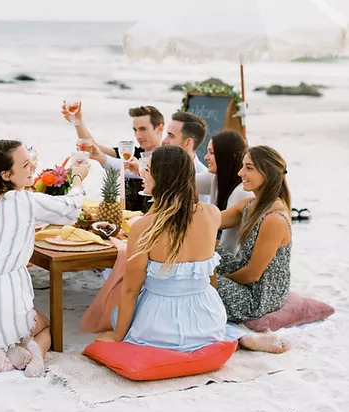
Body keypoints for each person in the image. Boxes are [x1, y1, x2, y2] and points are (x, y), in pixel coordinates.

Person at [95, 146, 287, 354]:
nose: (142, 174)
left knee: (117, 311)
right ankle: (238, 336)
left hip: (160, 327)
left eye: (147, 169)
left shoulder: (144, 226)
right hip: (209, 321)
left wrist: (118, 336)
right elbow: (211, 277)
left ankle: (237, 337)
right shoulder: (212, 214)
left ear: (162, 177)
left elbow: (131, 289)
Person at [0, 139, 90, 377]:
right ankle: (33, 352)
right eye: (25, 165)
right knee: (45, 325)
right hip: (6, 301)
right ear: (6, 175)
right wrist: (78, 178)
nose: (32, 168)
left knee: (1, 324)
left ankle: (8, 348)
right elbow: (70, 209)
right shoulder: (22, 201)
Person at [217, 145, 292, 323]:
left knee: (201, 281)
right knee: (211, 250)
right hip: (248, 282)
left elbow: (252, 274)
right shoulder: (250, 205)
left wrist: (216, 279)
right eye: (243, 166)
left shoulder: (274, 219)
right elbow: (211, 221)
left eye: (249, 168)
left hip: (258, 298)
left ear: (267, 173)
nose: (240, 173)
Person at [61, 103, 164, 211]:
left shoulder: (171, 158)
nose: (138, 135)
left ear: (159, 128)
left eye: (143, 129)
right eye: (135, 130)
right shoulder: (130, 154)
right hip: (127, 219)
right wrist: (78, 122)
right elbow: (94, 148)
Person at [196, 130, 253, 253]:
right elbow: (185, 183)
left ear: (227, 156)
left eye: (211, 153)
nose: (205, 157)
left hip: (232, 260)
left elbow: (229, 245)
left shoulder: (241, 191)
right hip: (218, 251)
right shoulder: (216, 177)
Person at [162, 111, 210, 203]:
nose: (164, 140)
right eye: (167, 134)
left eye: (171, 136)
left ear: (188, 142)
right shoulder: (165, 168)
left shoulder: (202, 180)